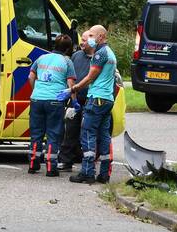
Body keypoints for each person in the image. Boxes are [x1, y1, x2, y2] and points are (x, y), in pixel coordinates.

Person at [67, 25, 117, 184]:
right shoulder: (110, 52)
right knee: (104, 136)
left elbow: (90, 77)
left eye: (92, 36)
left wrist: (74, 88)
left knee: (88, 133)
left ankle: (87, 172)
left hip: (96, 99)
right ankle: (104, 174)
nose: (89, 39)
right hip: (107, 99)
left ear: (100, 37)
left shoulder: (100, 54)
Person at [27, 35, 76, 177]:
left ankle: (33, 164)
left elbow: (30, 77)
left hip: (37, 99)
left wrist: (36, 91)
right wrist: (74, 102)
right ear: (67, 49)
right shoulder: (67, 61)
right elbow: (71, 84)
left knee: (36, 133)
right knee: (53, 134)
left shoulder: (41, 58)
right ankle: (51, 167)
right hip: (55, 101)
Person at [57, 33, 92, 172]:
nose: (81, 43)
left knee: (88, 132)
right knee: (70, 130)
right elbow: (70, 76)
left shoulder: (99, 58)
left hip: (91, 100)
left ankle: (88, 165)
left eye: (84, 40)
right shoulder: (76, 56)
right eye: (81, 40)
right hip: (75, 99)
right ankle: (66, 161)